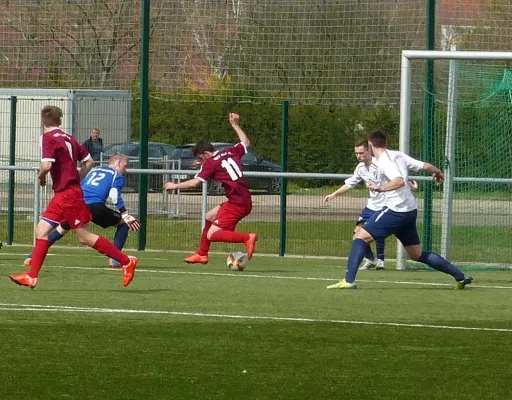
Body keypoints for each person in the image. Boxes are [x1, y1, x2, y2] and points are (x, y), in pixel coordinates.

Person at [9, 106, 138, 289]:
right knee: (41, 231)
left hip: (68, 195)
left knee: (84, 237)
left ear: (41, 122)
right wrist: (76, 178)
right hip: (64, 193)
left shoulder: (46, 138)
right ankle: (31, 276)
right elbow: (89, 162)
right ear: (59, 121)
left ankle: (126, 261)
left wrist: (41, 176)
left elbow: (46, 165)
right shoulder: (68, 138)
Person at [326, 129, 473, 290]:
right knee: (416, 254)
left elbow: (399, 181)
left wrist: (380, 188)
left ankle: (348, 281)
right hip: (409, 211)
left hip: (396, 210)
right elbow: (424, 166)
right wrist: (437, 171)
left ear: (370, 145)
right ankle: (460, 276)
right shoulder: (398, 155)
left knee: (360, 237)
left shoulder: (383, 161)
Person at [164, 112, 257, 264]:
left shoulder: (210, 163)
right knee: (209, 216)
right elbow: (245, 143)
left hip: (237, 204)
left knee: (212, 234)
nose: (200, 160)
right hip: (241, 199)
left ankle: (247, 238)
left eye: (200, 157)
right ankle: (202, 254)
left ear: (206, 153)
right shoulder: (228, 151)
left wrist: (175, 185)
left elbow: (195, 183)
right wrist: (235, 125)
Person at [23, 153, 141, 269]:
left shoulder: (94, 171)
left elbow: (80, 186)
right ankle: (115, 259)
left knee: (61, 229)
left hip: (77, 204)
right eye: (125, 166)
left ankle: (32, 256)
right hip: (95, 206)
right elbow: (114, 195)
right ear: (118, 163)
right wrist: (125, 214)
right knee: (123, 224)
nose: (125, 170)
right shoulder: (116, 175)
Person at [324, 140, 419, 271]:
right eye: (356, 153)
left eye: (361, 153)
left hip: (386, 205)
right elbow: (350, 183)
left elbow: (398, 177)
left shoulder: (380, 164)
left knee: (377, 233)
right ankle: (371, 259)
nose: (358, 156)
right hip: (371, 205)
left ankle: (381, 260)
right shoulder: (360, 168)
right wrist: (334, 194)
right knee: (357, 234)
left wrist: (410, 185)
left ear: (369, 151)